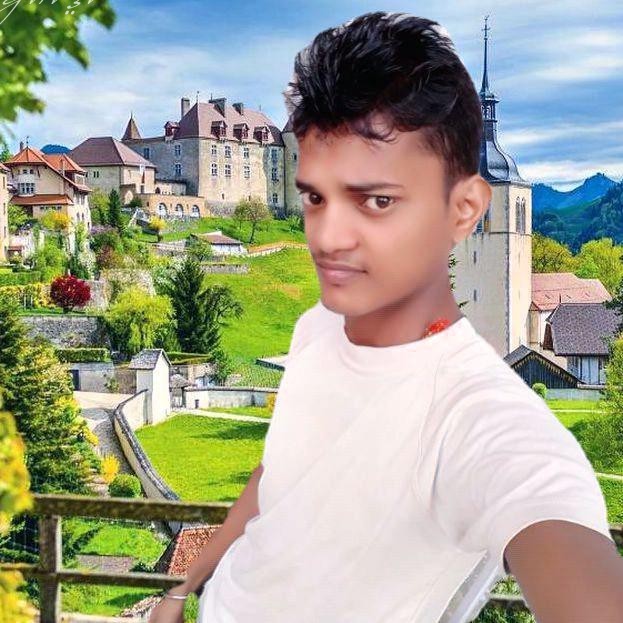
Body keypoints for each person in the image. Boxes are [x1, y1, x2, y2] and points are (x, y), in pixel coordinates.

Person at [150, 11, 623, 623]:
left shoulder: (490, 420)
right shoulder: (319, 329)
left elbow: (564, 546)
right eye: (316, 196)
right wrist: (185, 586)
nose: (329, 236)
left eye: (376, 199)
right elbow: (277, 473)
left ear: (466, 209)